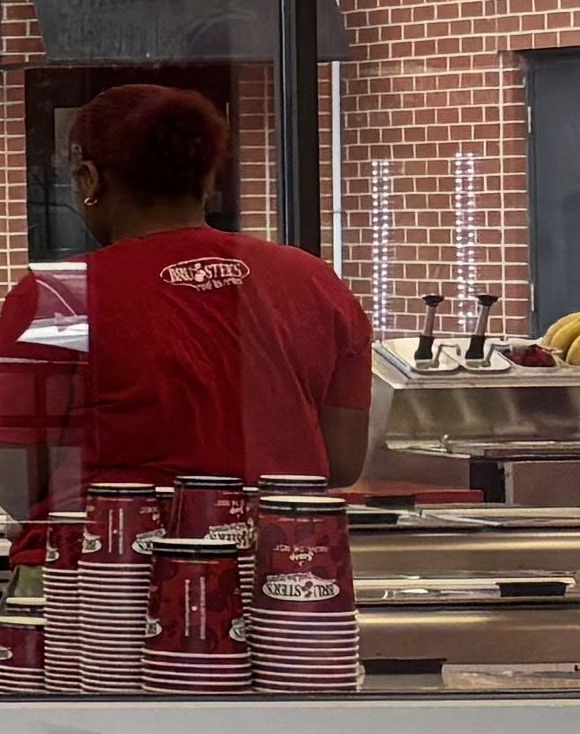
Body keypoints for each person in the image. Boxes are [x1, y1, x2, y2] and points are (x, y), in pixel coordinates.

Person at [36, 81, 374, 486]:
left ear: (90, 180)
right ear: (208, 179)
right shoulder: (317, 281)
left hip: (116, 546)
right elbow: (341, 463)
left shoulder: (64, 295)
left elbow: (20, 483)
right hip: (282, 546)